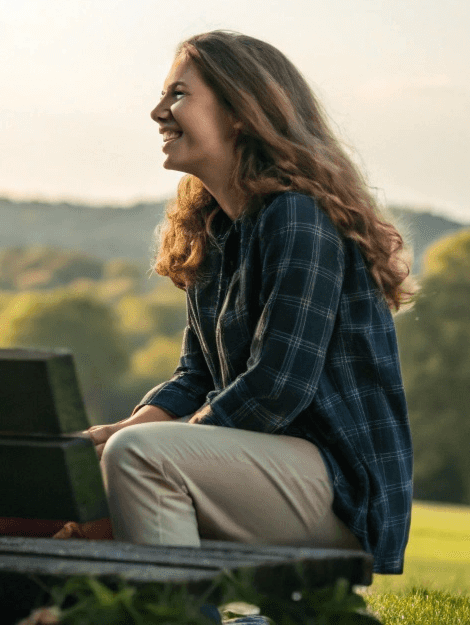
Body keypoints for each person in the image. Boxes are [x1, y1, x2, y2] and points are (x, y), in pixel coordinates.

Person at [78, 30, 413, 575]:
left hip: (341, 488)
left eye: (178, 95)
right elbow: (194, 377)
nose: (158, 112)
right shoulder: (215, 230)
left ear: (239, 113)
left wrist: (157, 444)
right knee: (112, 454)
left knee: (140, 458)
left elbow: (278, 387)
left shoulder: (297, 216)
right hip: (259, 466)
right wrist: (120, 430)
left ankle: (181, 611)